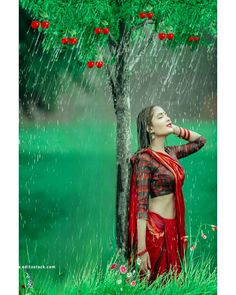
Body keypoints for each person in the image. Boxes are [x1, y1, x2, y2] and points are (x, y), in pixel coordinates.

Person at [127, 105, 206, 285]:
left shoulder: (171, 153)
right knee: (154, 284)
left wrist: (175, 129)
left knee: (173, 283)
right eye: (161, 116)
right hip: (155, 229)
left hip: (173, 227)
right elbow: (141, 205)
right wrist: (141, 249)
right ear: (150, 128)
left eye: (167, 115)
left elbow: (201, 141)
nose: (167, 117)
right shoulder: (144, 159)